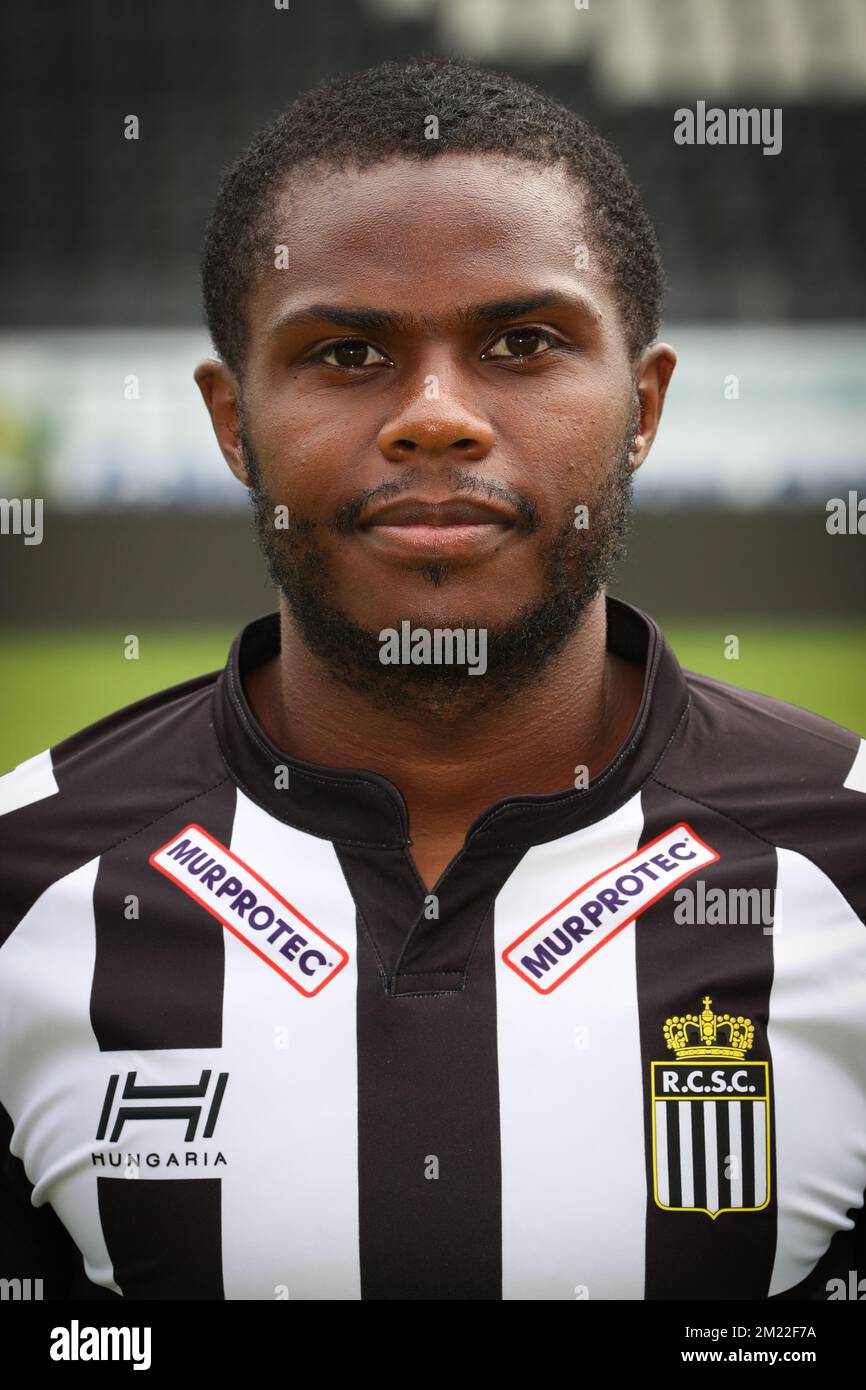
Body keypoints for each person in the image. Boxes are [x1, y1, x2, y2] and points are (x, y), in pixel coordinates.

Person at [1, 56, 864, 1301]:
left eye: (523, 340)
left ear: (642, 402)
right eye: (346, 353)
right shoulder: (33, 883)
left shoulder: (839, 860)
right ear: (232, 419)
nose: (434, 417)